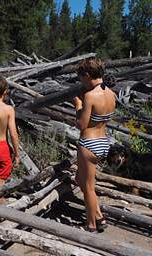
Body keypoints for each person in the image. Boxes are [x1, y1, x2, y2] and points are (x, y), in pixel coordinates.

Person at [74, 57, 116, 232]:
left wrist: (78, 106)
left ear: (87, 75)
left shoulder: (90, 96)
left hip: (89, 143)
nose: (81, 81)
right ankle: (99, 216)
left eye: (81, 78)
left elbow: (81, 124)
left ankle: (91, 225)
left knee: (89, 188)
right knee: (79, 180)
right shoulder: (111, 94)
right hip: (103, 142)